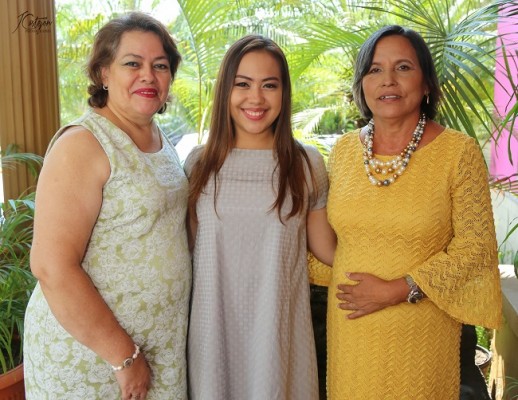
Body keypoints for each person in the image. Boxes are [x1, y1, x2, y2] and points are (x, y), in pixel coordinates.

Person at [309, 25, 502, 399]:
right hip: (351, 332)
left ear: (427, 83)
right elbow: (329, 238)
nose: (388, 81)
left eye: (403, 67)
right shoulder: (345, 152)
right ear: (362, 85)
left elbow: (475, 248)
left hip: (421, 331)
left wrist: (398, 290)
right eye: (375, 70)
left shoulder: (458, 153)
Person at [23, 12, 191, 400]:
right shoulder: (81, 144)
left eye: (160, 65)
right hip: (97, 358)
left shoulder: (157, 136)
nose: (148, 75)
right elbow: (51, 266)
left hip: (158, 348)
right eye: (132, 63)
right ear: (103, 73)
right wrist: (124, 357)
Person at [184, 34, 335, 400]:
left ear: (284, 93)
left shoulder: (306, 164)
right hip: (212, 338)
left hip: (280, 342)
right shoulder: (199, 164)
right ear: (226, 92)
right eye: (243, 85)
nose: (256, 98)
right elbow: (186, 256)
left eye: (269, 85)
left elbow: (330, 251)